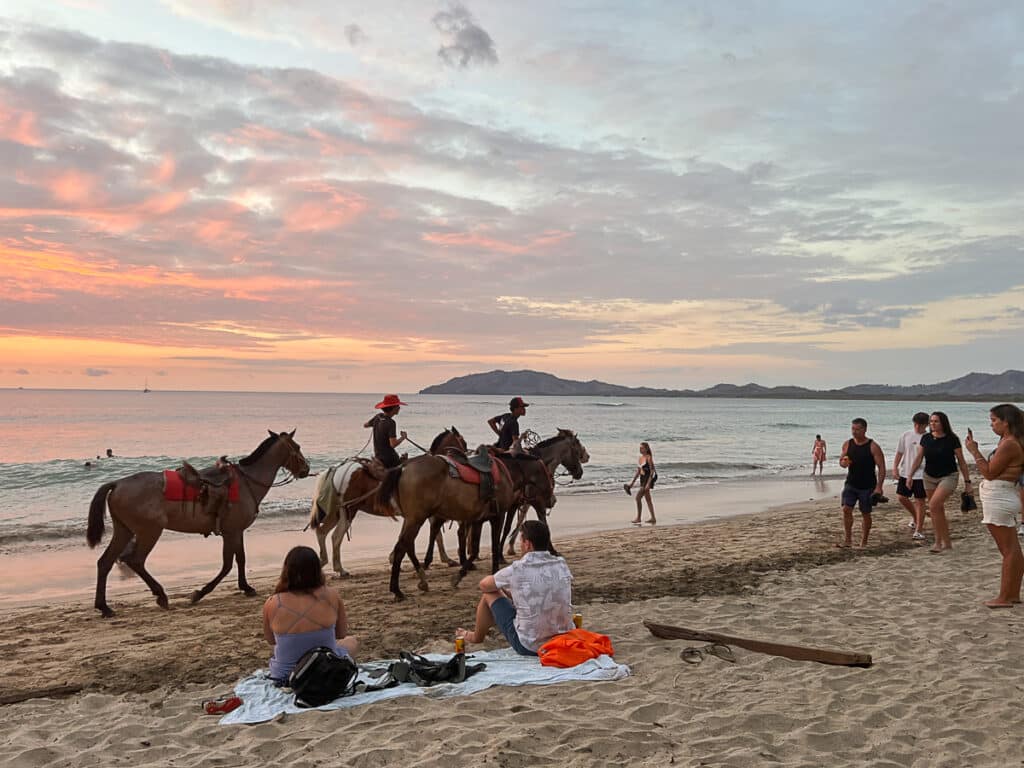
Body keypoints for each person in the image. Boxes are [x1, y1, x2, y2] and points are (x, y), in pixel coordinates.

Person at [455, 520, 573, 656]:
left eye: (521, 542)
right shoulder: (561, 563)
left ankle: (476, 637)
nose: (520, 546)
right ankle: (477, 635)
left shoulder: (519, 568)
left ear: (527, 544)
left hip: (530, 646)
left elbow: (484, 585)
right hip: (563, 640)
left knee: (490, 593)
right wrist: (511, 591)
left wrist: (502, 585)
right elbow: (541, 591)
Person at [263, 546, 359, 681]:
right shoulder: (331, 595)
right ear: (317, 570)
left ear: (287, 570)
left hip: (285, 675)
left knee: (281, 646)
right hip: (326, 669)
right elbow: (341, 634)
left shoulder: (272, 602)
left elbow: (270, 640)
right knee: (352, 641)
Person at [964, 404, 1024, 608]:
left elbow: (989, 472)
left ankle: (1005, 597)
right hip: (1002, 495)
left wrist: (974, 451)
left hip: (1000, 497)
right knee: (1012, 548)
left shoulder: (1010, 443)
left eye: (994, 420)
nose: (991, 425)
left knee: (1008, 550)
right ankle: (1012, 593)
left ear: (1005, 422)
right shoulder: (1009, 441)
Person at [907, 411, 972, 553]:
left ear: (943, 423)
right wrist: (910, 475)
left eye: (936, 421)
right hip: (929, 476)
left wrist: (968, 482)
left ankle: (939, 543)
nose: (932, 424)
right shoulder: (926, 438)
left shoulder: (952, 439)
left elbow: (961, 461)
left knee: (933, 505)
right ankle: (944, 543)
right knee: (938, 510)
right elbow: (919, 458)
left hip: (948, 476)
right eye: (931, 421)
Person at [838, 418, 886, 548]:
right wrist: (843, 463)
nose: (854, 432)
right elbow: (842, 461)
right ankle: (848, 540)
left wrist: (879, 487)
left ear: (864, 429)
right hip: (851, 483)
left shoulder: (873, 446)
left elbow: (881, 467)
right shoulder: (848, 444)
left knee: (865, 513)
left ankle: (864, 541)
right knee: (846, 509)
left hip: (867, 485)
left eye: (857, 429)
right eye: (853, 429)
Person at [893, 413, 929, 541]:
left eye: (920, 424)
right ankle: (915, 517)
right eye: (915, 424)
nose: (917, 427)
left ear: (926, 425)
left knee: (920, 501)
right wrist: (895, 467)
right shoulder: (906, 435)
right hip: (905, 471)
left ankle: (919, 529)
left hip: (921, 474)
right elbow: (899, 452)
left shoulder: (928, 437)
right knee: (902, 497)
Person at [363, 394, 408, 469]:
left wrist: (375, 424)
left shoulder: (378, 416)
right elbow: (393, 444)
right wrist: (403, 437)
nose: (399, 408)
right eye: (398, 406)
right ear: (393, 408)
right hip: (390, 459)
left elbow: (365, 425)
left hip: (378, 457)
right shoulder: (391, 422)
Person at [626, 441, 657, 525]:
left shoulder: (648, 458)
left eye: (642, 448)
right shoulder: (640, 458)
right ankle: (653, 518)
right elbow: (638, 472)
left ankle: (639, 518)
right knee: (648, 499)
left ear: (646, 449)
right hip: (642, 479)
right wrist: (632, 483)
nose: (640, 449)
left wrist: (648, 483)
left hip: (647, 479)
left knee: (638, 498)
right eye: (640, 448)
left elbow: (652, 471)